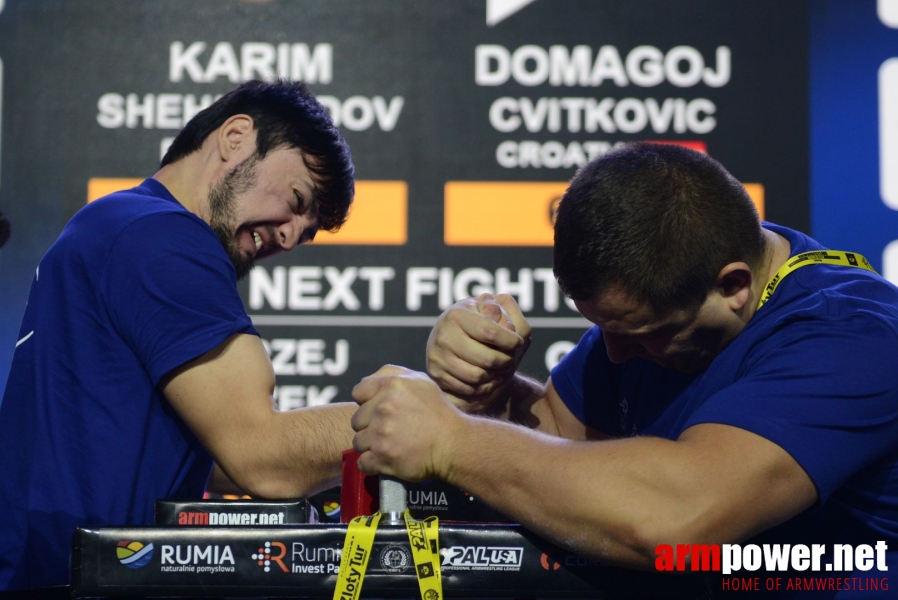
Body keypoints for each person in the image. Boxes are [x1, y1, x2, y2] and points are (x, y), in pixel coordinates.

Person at [351, 143, 898, 595]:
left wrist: (456, 441)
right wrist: (493, 395)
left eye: (642, 335)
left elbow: (675, 519)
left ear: (732, 286)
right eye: (602, 329)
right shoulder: (674, 276)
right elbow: (565, 444)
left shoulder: (853, 336)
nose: (612, 354)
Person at [0, 79, 356, 590]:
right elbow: (260, 455)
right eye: (298, 199)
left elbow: (204, 457)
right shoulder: (164, 238)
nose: (289, 236)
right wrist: (425, 420)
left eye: (305, 232)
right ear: (236, 137)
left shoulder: (114, 220)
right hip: (74, 578)